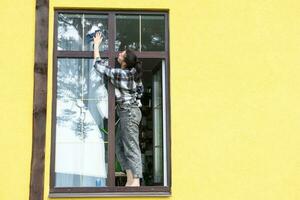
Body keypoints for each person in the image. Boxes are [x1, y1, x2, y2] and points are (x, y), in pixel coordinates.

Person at [93, 32, 144, 186]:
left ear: (125, 62)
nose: (120, 53)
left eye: (122, 53)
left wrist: (96, 46)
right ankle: (130, 179)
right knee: (119, 146)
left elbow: (99, 66)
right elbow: (140, 92)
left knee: (131, 146)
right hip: (128, 112)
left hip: (128, 113)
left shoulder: (123, 75)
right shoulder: (133, 75)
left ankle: (135, 182)